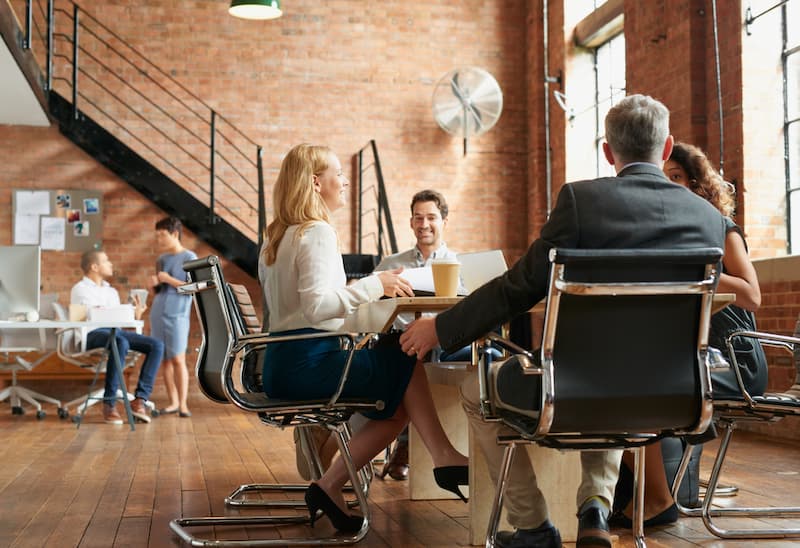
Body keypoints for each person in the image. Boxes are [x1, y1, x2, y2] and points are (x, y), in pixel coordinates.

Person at [399, 94, 728, 548]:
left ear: (609, 152)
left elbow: (518, 287)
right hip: (677, 394)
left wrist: (441, 326)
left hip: (576, 388)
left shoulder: (581, 201)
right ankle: (594, 504)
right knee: (615, 378)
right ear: (667, 147)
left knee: (478, 390)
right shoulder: (709, 218)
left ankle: (533, 525)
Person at [259, 143, 468, 533]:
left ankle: (335, 484)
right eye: (338, 173)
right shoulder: (316, 231)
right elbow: (319, 308)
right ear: (317, 183)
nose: (343, 181)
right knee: (404, 357)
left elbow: (304, 308)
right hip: (310, 362)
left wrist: (368, 290)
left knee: (396, 374)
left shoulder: (277, 236)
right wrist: (377, 284)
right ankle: (441, 456)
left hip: (281, 363)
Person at [609, 141, 766, 529]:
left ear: (698, 185)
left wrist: (695, 262)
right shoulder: (660, 237)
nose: (669, 187)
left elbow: (751, 295)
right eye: (663, 180)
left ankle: (657, 498)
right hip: (687, 354)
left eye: (677, 178)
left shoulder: (719, 226)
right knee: (610, 375)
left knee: (635, 381)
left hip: (734, 360)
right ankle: (645, 496)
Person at [372, 188, 458, 481]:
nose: (424, 224)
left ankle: (404, 448)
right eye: (418, 218)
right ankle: (407, 448)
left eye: (431, 217)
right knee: (407, 351)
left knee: (418, 350)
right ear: (410, 223)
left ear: (444, 220)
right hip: (400, 343)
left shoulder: (460, 265)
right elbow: (371, 309)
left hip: (443, 341)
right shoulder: (390, 265)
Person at [71, 250, 165, 424]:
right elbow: (91, 317)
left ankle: (140, 400)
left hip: (114, 331)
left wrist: (135, 315)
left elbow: (117, 320)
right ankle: (109, 404)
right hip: (91, 333)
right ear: (94, 266)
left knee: (156, 345)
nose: (111, 264)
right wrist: (121, 313)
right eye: (106, 261)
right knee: (119, 341)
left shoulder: (111, 291)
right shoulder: (80, 289)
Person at [148, 216, 197, 417]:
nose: (158, 239)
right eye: (157, 235)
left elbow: (193, 288)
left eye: (162, 235)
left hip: (178, 314)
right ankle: (173, 402)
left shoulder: (190, 258)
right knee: (164, 360)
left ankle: (184, 404)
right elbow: (158, 291)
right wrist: (152, 286)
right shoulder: (162, 260)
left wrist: (168, 279)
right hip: (158, 311)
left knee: (178, 358)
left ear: (174, 234)